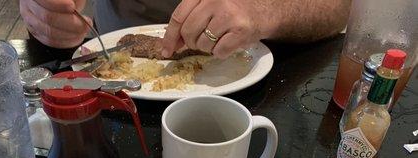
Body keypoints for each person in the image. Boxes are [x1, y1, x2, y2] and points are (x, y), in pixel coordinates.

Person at [20, 0, 350, 59]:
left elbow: (339, 8)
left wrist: (265, 8)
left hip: (266, 69)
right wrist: (46, 11)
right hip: (111, 77)